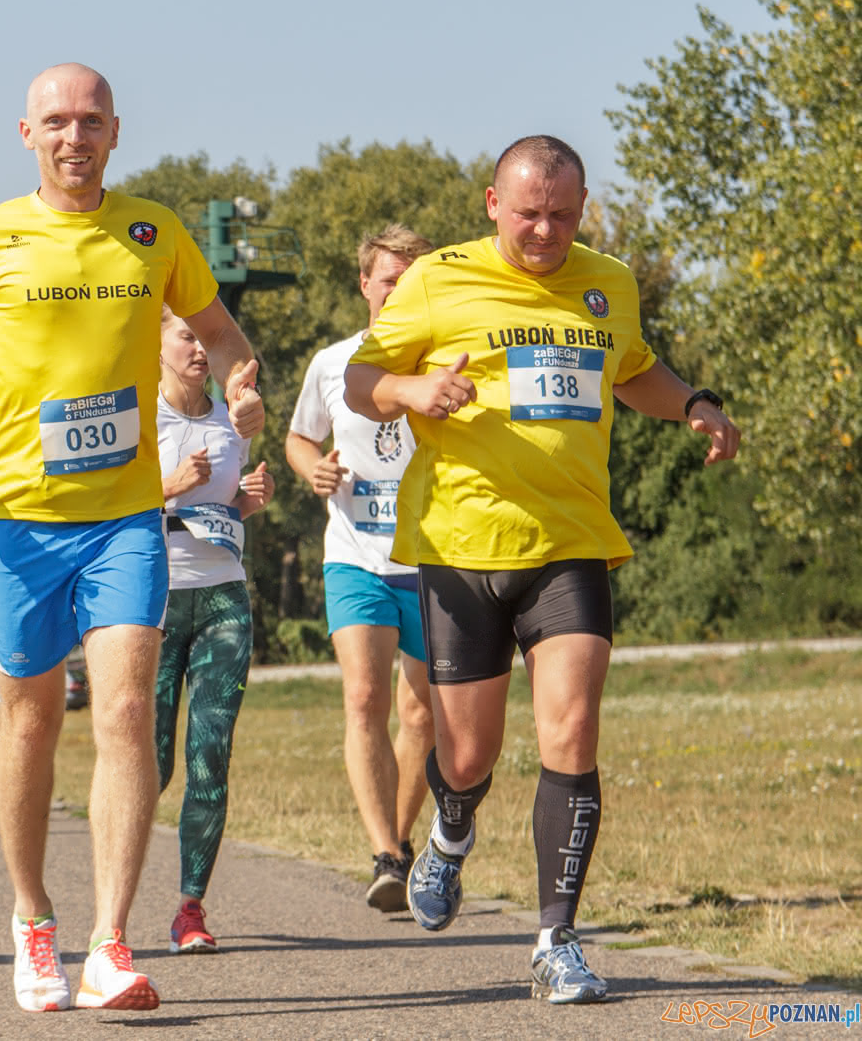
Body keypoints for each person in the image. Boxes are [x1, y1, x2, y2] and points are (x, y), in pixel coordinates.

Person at [0, 63, 264, 1012]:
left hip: (124, 516)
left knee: (121, 712)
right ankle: (34, 917)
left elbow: (224, 334)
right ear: (26, 134)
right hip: (21, 522)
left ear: (115, 131)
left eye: (90, 121)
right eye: (56, 122)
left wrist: (242, 388)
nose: (74, 136)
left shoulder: (154, 232)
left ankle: (110, 942)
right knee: (30, 718)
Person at [345, 135, 741, 1004]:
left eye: (563, 215)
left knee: (571, 730)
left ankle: (556, 938)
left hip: (571, 541)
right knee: (469, 751)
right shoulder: (437, 279)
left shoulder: (608, 283)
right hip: (459, 550)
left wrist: (696, 405)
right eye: (528, 214)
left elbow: (632, 371)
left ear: (583, 207)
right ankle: (451, 830)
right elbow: (362, 377)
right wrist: (411, 392)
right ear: (493, 204)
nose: (545, 231)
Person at [285, 225, 437, 912]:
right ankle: (384, 850)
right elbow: (297, 437)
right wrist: (310, 468)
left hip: (431, 557)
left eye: (410, 277)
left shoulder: (442, 361)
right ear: (365, 284)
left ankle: (400, 846)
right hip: (354, 555)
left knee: (422, 709)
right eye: (388, 278)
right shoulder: (332, 362)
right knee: (363, 697)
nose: (397, 288)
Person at [154, 308, 274, 953]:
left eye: (208, 339)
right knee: (151, 763)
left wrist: (249, 499)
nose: (201, 349)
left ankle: (190, 907)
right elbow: (96, 502)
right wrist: (169, 485)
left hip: (224, 596)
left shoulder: (237, 416)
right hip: (153, 600)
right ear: (157, 344)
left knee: (210, 757)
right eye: (186, 337)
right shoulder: (136, 417)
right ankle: (109, 897)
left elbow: (228, 506)